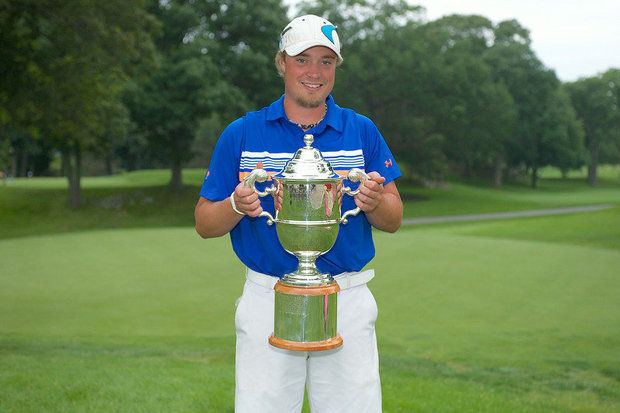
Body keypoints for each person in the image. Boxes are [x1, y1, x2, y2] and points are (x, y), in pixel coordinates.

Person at [195, 14, 403, 413]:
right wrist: (235, 205)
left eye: (326, 61)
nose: (314, 71)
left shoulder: (361, 130)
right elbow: (204, 223)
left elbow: (393, 219)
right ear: (282, 63)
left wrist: (377, 202)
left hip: (347, 295)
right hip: (266, 295)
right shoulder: (242, 132)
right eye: (303, 58)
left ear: (336, 68)